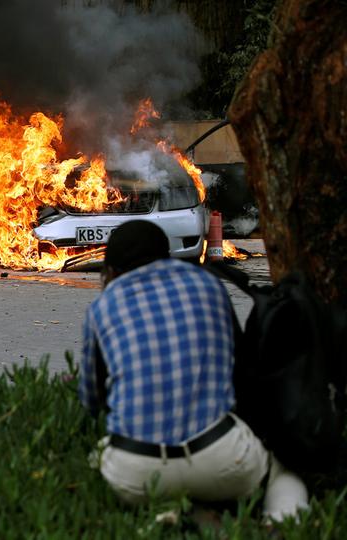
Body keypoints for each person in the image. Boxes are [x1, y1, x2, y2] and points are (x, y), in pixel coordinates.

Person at [77, 220, 308, 522]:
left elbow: (92, 401)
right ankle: (280, 522)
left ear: (110, 272)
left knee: (101, 456)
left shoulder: (102, 307)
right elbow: (239, 369)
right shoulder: (208, 283)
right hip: (221, 457)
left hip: (137, 472)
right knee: (282, 472)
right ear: (166, 257)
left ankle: (174, 513)